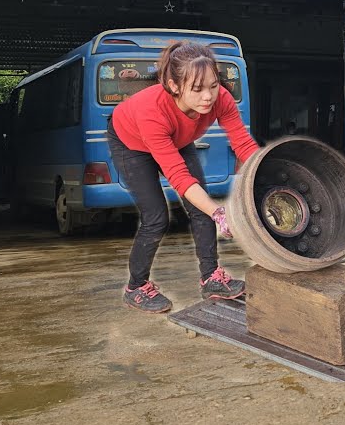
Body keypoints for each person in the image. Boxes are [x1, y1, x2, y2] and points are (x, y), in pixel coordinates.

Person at [107, 40, 259, 313]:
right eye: (197, 89)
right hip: (130, 142)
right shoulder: (152, 112)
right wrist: (220, 213)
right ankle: (136, 287)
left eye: (213, 85)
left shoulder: (220, 98)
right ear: (174, 86)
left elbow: (243, 144)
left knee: (200, 208)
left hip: (176, 138)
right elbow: (179, 177)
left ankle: (211, 278)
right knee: (156, 217)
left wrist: (264, 173)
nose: (208, 97)